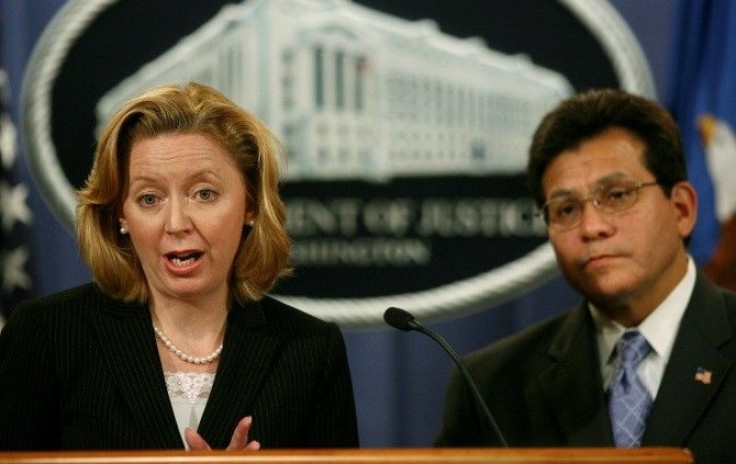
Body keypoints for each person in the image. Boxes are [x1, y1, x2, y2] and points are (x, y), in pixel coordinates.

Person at [0, 82, 359, 450]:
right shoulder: (48, 336)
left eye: (204, 194)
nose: (176, 223)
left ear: (250, 205)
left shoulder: (308, 350)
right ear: (120, 214)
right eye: (149, 198)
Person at [435, 89, 736, 463]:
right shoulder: (492, 386)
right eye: (566, 209)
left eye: (617, 195)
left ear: (682, 209)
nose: (591, 227)